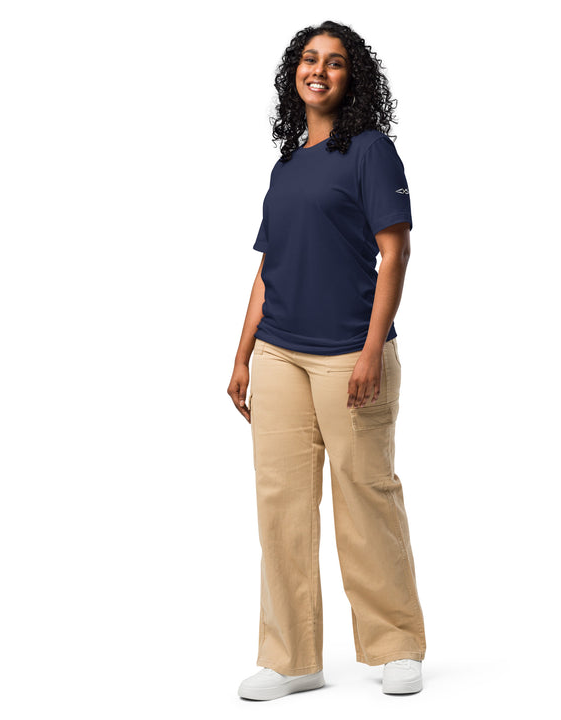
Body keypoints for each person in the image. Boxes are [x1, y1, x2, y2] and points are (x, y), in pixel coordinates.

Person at [227, 20, 427, 701]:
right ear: (295, 73)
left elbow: (395, 252)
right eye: (310, 59)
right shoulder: (286, 165)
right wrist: (243, 354)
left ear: (352, 77)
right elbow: (269, 266)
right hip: (279, 353)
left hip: (349, 354)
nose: (319, 70)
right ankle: (291, 659)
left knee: (365, 495)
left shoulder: (371, 151)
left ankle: (396, 645)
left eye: (335, 62)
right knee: (280, 505)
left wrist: (372, 349)